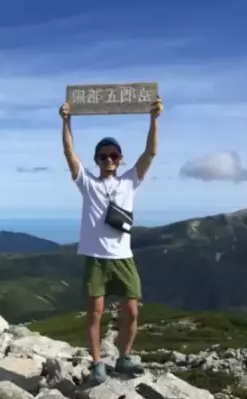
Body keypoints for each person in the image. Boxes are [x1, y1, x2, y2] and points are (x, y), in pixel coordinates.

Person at [59, 95, 163, 384]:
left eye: (113, 156)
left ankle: (124, 358)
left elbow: (150, 153)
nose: (108, 160)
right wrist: (66, 122)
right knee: (95, 314)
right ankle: (97, 363)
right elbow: (69, 153)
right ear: (96, 160)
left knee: (131, 311)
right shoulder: (88, 184)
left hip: (123, 257)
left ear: (120, 160)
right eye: (103, 156)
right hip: (96, 258)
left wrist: (154, 119)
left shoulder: (129, 181)